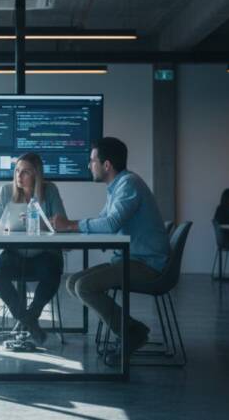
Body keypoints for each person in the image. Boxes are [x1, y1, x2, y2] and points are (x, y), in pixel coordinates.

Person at [52, 137, 170, 362]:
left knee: (84, 286)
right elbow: (102, 224)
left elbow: (110, 224)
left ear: (106, 165)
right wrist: (70, 231)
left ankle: (130, 333)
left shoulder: (129, 184)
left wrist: (69, 225)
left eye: (92, 160)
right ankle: (132, 329)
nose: (89, 165)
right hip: (129, 259)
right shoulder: (117, 187)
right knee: (72, 283)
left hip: (146, 264)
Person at [0, 153, 67, 346]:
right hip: (13, 253)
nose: (19, 176)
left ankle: (31, 316)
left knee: (53, 267)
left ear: (37, 175)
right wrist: (6, 226)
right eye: (17, 171)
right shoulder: (5, 191)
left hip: (43, 255)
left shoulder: (50, 191)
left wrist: (44, 223)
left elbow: (62, 222)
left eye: (25, 172)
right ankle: (27, 319)